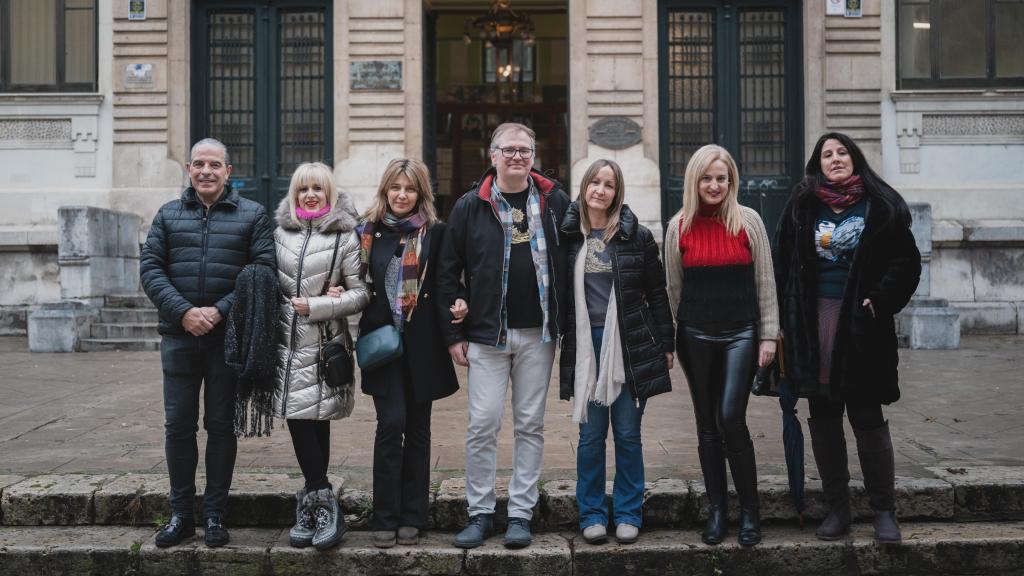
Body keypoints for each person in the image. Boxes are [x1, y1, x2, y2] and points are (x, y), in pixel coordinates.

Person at [773, 132, 920, 544]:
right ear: (817, 164)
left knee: (866, 415)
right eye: (827, 154)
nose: (835, 159)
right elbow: (781, 263)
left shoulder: (881, 207)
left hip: (861, 328)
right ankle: (837, 507)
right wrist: (782, 320)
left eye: (842, 153)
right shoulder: (802, 206)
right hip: (813, 322)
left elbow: (906, 264)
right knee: (823, 416)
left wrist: (879, 301)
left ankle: (884, 511)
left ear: (855, 159)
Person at [438, 122, 570, 549]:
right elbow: (447, 272)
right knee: (483, 423)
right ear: (492, 156)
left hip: (539, 335)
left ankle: (519, 514)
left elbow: (575, 254)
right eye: (509, 149)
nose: (517, 156)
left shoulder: (554, 200)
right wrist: (453, 331)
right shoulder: (468, 206)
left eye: (525, 150)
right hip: (486, 336)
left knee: (530, 425)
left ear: (534, 156)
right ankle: (479, 513)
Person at [140, 137, 276, 548]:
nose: (206, 171)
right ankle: (181, 514)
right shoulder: (167, 215)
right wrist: (183, 312)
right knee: (178, 426)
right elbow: (150, 268)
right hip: (179, 339)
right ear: (188, 168)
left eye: (214, 165)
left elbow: (263, 270)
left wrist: (219, 311)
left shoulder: (253, 215)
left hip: (227, 340)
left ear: (228, 172)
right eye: (199, 163)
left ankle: (215, 514)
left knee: (220, 427)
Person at [664, 144, 779, 547]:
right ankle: (717, 510)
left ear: (732, 181)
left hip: (741, 334)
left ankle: (750, 511)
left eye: (722, 178)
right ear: (695, 181)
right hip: (695, 335)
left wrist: (769, 334)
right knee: (707, 424)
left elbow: (766, 282)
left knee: (731, 416)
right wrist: (670, 341)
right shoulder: (679, 226)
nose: (714, 185)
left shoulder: (749, 222)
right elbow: (672, 291)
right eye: (707, 178)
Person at [558, 159, 674, 545]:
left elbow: (657, 294)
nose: (600, 190)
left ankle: (627, 511)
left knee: (627, 434)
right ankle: (591, 512)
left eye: (609, 184)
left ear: (617, 192)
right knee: (591, 436)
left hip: (628, 345)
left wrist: (666, 344)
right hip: (585, 346)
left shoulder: (636, 236)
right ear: (584, 186)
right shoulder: (568, 234)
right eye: (595, 182)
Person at [355, 158, 462, 548]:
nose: (402, 195)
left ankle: (413, 516)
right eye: (395, 188)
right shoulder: (366, 232)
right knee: (390, 426)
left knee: (418, 430)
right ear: (385, 190)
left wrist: (459, 314)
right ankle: (384, 515)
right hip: (383, 346)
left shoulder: (437, 233)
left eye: (410, 189)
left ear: (422, 194)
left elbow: (449, 282)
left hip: (423, 346)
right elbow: (354, 282)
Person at [272, 161, 369, 551]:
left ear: (329, 193)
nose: (310, 195)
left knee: (317, 418)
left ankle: (318, 502)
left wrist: (318, 305)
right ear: (294, 195)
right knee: (298, 417)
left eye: (317, 188)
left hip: (323, 347)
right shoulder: (278, 234)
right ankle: (320, 499)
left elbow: (361, 292)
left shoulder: (345, 236)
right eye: (303, 189)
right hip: (284, 345)